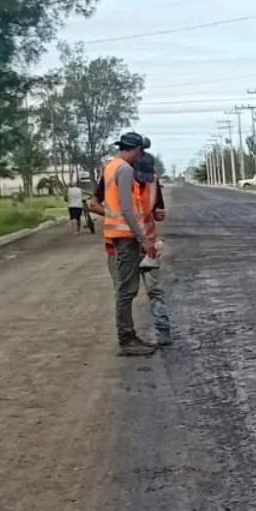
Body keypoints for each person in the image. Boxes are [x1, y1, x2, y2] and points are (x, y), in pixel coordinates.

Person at [100, 131, 159, 356]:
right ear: (134, 150)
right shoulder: (124, 170)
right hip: (126, 237)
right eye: (140, 152)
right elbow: (126, 209)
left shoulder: (111, 166)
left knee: (125, 289)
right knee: (127, 290)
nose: (140, 156)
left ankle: (129, 337)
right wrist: (144, 239)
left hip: (117, 235)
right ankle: (127, 339)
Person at [133, 153, 173, 345]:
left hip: (146, 247)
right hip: (129, 246)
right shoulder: (123, 183)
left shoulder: (152, 184)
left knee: (153, 291)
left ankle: (162, 331)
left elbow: (158, 212)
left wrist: (158, 215)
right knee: (128, 294)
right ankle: (129, 336)